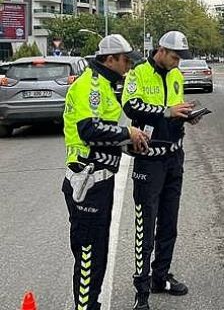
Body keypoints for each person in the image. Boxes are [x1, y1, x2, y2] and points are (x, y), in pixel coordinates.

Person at [62, 34, 149, 310]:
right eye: (125, 61)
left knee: (98, 250)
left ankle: (91, 304)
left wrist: (128, 144)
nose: (128, 66)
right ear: (109, 59)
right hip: (87, 182)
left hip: (100, 181)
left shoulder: (107, 85)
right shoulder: (92, 85)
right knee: (89, 253)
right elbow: (88, 130)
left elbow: (102, 135)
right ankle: (86, 307)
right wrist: (127, 132)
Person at [121, 30, 200, 310]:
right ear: (161, 51)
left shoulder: (177, 75)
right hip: (149, 160)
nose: (178, 63)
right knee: (146, 225)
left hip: (174, 157)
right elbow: (132, 106)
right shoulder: (139, 73)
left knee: (169, 223)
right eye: (175, 57)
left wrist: (185, 117)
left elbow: (175, 109)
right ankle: (141, 291)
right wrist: (167, 111)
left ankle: (160, 276)